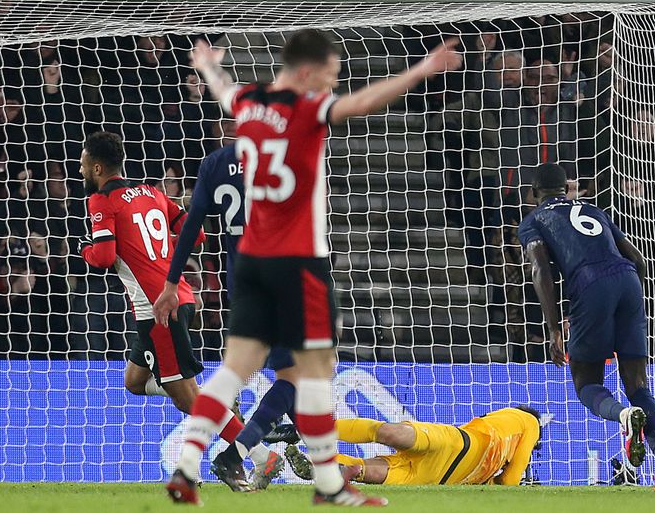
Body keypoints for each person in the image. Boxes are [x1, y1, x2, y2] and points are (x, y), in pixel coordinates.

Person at [166, 29, 460, 507]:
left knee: (234, 370)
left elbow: (223, 90)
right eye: (329, 75)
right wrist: (423, 70)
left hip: (252, 264)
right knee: (316, 372)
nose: (333, 84)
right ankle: (328, 485)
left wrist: (207, 65)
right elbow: (363, 104)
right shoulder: (306, 111)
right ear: (306, 72)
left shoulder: (248, 102)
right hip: (297, 263)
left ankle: (187, 466)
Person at [73, 131, 261, 469]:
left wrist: (82, 249)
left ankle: (262, 456)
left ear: (98, 167)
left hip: (156, 309)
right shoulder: (152, 192)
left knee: (190, 401)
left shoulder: (101, 201)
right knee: (134, 381)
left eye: (84, 164)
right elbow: (197, 233)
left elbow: (102, 257)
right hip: (180, 297)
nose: (81, 170)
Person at [519, 163, 655, 492]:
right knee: (637, 382)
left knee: (586, 382)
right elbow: (639, 260)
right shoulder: (594, 210)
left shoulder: (534, 220)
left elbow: (541, 271)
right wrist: (630, 304)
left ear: (535, 194)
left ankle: (623, 416)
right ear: (566, 188)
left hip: (590, 284)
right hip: (629, 281)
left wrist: (553, 329)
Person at [153, 142, 291, 491]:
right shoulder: (283, 158)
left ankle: (260, 437)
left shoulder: (216, 163)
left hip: (240, 287)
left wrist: (171, 282)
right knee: (299, 373)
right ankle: (248, 444)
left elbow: (191, 226)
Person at [279, 406, 541, 486]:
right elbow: (510, 482)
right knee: (369, 471)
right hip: (445, 472)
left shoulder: (505, 418)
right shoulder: (531, 423)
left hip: (455, 444)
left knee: (389, 434)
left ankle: (309, 434)